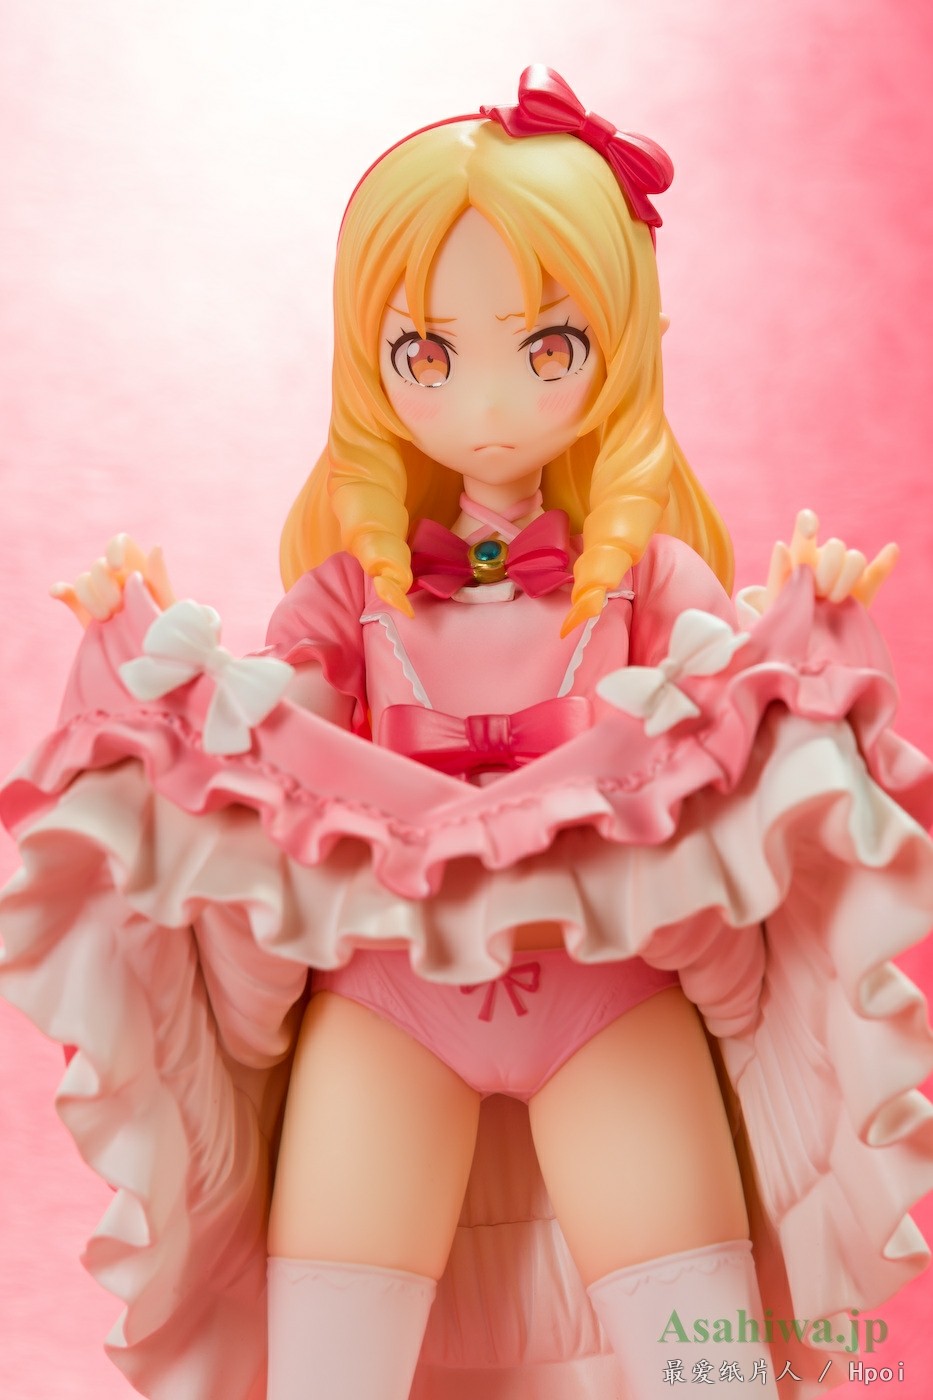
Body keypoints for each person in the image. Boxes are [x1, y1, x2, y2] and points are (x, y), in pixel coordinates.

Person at [2, 67, 931, 1400]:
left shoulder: (650, 587)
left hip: (611, 1001)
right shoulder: (347, 600)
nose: (487, 401)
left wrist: (811, 622)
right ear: (371, 363)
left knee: (704, 1360)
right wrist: (156, 670)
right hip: (386, 1006)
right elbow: (254, 761)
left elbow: (742, 743)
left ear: (622, 343)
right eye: (427, 355)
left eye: (545, 348)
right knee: (328, 1367)